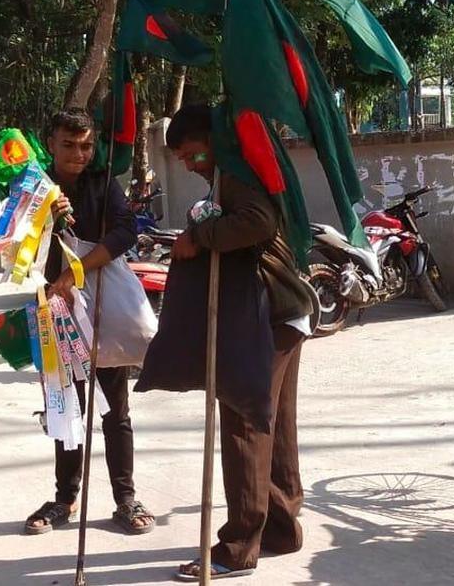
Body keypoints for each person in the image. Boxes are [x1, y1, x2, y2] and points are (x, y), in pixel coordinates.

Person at [166, 103, 313, 582]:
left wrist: (200, 237)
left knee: (245, 419)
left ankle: (237, 546)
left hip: (270, 313)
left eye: (191, 154)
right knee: (273, 423)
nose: (188, 165)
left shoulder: (235, 173)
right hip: (285, 312)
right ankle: (282, 529)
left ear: (211, 139)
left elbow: (256, 224)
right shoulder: (231, 172)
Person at [24, 107, 155, 536]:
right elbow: (12, 245)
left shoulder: (103, 183)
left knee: (115, 410)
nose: (79, 154)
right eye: (68, 145)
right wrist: (43, 214)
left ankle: (126, 498)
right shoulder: (33, 186)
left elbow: (125, 231)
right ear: (50, 144)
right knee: (66, 408)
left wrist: (76, 271)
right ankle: (64, 498)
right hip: (57, 314)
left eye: (85, 145)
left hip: (102, 309)